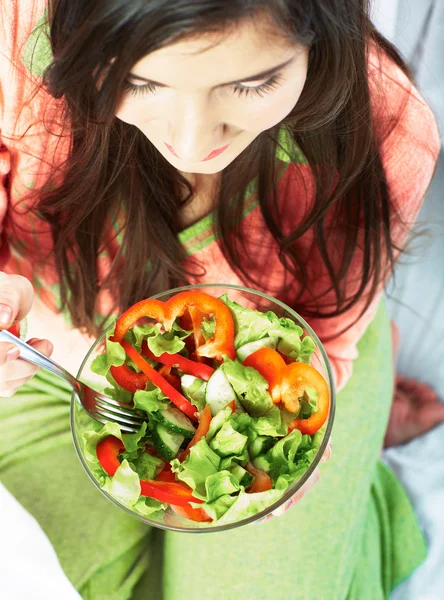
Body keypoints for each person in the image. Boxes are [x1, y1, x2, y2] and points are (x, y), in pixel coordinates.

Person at [0, 1, 440, 599]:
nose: (191, 141)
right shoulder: (14, 36)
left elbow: (322, 342)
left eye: (253, 83)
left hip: (284, 359)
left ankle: (369, 419)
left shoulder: (386, 125)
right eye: (138, 79)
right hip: (45, 356)